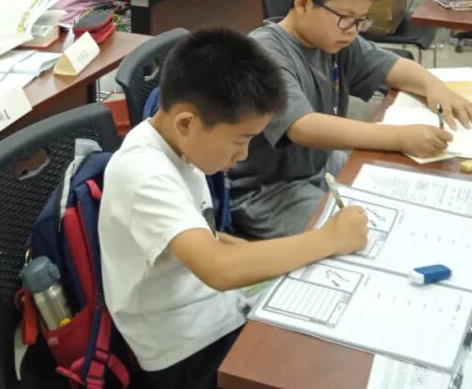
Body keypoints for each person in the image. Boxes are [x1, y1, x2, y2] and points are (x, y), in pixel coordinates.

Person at [99, 28, 369, 389]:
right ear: (186, 123)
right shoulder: (143, 173)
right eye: (240, 140)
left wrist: (277, 261)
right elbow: (218, 267)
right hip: (183, 353)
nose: (243, 155)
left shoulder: (180, 144)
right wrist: (329, 240)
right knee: (319, 367)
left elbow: (210, 238)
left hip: (216, 310)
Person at [229, 0, 472, 240]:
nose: (353, 30)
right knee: (370, 236)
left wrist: (433, 85)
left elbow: (390, 65)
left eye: (361, 21)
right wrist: (399, 137)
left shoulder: (334, 37)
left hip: (321, 166)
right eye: (347, 19)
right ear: (304, 4)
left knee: (407, 192)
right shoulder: (265, 53)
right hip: (269, 193)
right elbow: (302, 127)